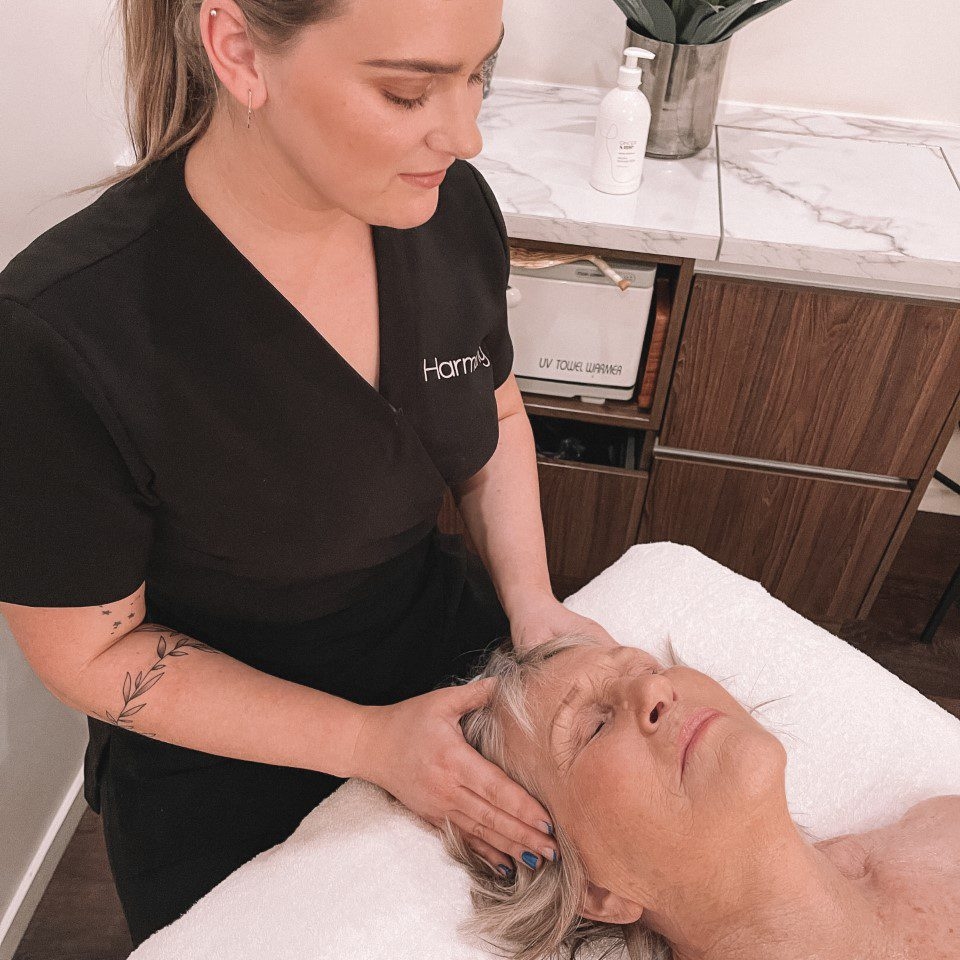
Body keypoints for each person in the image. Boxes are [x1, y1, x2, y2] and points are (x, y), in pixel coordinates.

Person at [0, 0, 612, 946]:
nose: (466, 135)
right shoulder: (64, 331)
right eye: (407, 92)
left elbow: (492, 414)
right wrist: (371, 743)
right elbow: (89, 655)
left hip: (446, 662)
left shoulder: (447, 208)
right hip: (224, 766)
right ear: (240, 51)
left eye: (479, 74)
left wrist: (532, 604)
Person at [443, 632, 960, 960]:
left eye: (646, 669)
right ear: (596, 891)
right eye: (593, 729)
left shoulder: (941, 830)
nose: (655, 690)